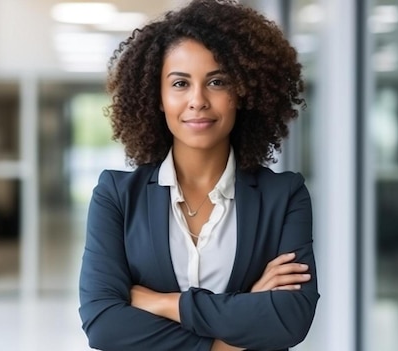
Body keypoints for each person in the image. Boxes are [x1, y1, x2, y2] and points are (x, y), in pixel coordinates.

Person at [78, 0, 319, 350]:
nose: (198, 100)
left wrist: (163, 302)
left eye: (217, 81)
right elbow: (103, 325)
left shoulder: (285, 195)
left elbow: (289, 319)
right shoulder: (116, 195)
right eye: (179, 83)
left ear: (241, 92)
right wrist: (232, 334)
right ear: (158, 96)